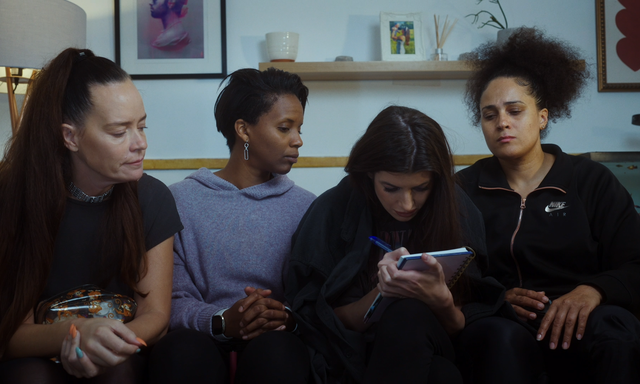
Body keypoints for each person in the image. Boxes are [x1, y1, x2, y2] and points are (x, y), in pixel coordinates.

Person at [457, 27, 640, 383]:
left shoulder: (591, 181)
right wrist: (499, 298)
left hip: (588, 316)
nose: (502, 123)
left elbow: (635, 261)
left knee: (616, 332)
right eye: (489, 114)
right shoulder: (462, 189)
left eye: (514, 110)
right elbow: (456, 275)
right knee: (497, 339)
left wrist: (594, 290)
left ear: (542, 117)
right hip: (504, 320)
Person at [285, 105, 509, 383]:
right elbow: (317, 322)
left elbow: (462, 325)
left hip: (434, 338)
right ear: (369, 174)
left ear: (436, 181)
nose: (407, 204)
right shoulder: (332, 210)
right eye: (390, 188)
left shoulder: (456, 209)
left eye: (421, 188)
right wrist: (381, 294)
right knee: (442, 375)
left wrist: (441, 301)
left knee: (409, 315)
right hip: (349, 353)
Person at [0, 48, 183, 383]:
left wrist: (109, 344)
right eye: (119, 132)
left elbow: (155, 314)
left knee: (118, 370)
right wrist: (79, 333)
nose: (139, 143)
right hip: (36, 355)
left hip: (121, 353)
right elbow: (10, 333)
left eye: (141, 126)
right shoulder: (14, 199)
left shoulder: (153, 197)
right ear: (70, 136)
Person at [148, 68, 316, 383]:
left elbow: (314, 299)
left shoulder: (307, 207)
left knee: (279, 354)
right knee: (181, 352)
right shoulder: (180, 201)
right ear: (243, 130)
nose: (298, 140)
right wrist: (223, 321)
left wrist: (285, 316)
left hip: (276, 342)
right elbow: (170, 300)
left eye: (299, 128)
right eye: (285, 128)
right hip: (200, 339)